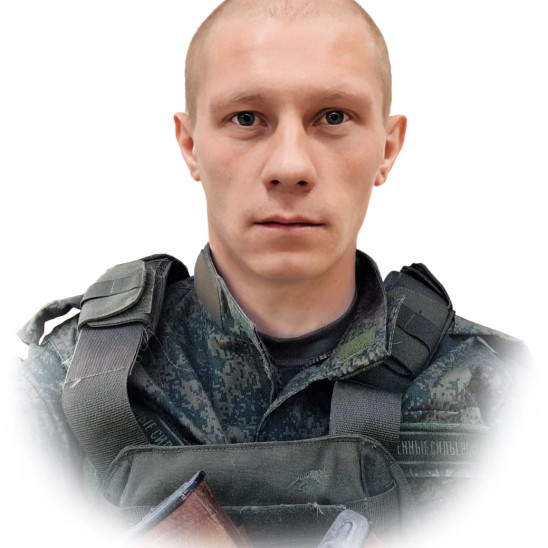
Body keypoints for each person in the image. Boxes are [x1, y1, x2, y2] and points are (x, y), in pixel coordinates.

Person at [15, 0, 530, 546]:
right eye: (246, 118)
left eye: (333, 117)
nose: (290, 167)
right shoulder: (70, 387)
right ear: (190, 146)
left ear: (388, 147)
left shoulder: (502, 399)